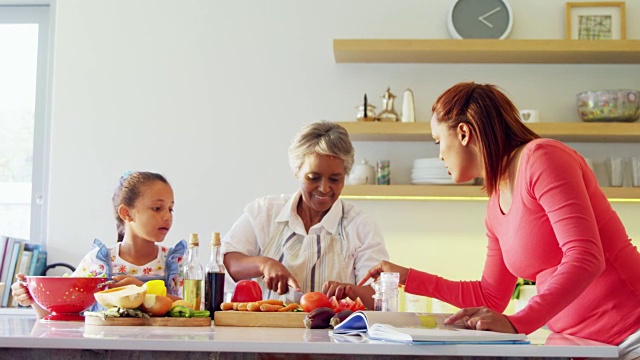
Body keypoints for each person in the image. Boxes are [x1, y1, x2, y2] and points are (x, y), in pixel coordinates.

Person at [359, 82, 640, 358]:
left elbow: (586, 256)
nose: (440, 154)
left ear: (464, 133)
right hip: (586, 346)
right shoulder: (495, 204)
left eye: (438, 141)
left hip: (632, 336)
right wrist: (407, 277)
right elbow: (490, 296)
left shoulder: (542, 158)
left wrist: (519, 323)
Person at [222, 121, 389, 309]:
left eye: (335, 179)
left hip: (333, 337)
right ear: (297, 171)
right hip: (265, 332)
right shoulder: (265, 212)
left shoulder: (361, 226)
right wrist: (265, 264)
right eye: (313, 178)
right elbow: (230, 263)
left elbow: (380, 295)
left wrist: (349, 290)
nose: (324, 188)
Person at [11, 171, 186, 318]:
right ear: (126, 213)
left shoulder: (175, 262)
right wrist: (32, 296)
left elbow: (193, 309)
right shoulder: (98, 262)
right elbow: (61, 315)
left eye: (171, 209)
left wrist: (142, 290)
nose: (167, 216)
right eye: (157, 208)